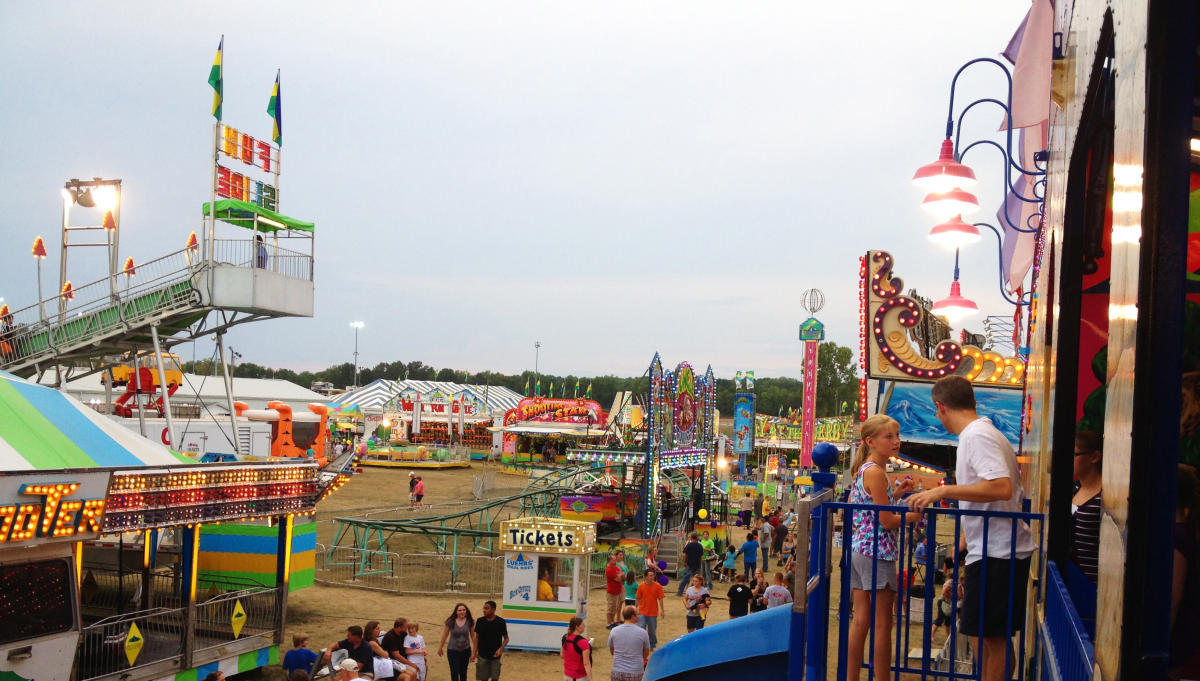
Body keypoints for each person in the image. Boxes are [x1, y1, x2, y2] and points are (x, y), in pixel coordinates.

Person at [907, 376, 1036, 681]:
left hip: (999, 552)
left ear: (940, 407)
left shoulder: (976, 435)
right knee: (985, 636)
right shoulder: (982, 432)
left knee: (992, 641)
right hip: (994, 549)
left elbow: (1001, 487)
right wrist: (966, 537)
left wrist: (943, 492)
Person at [846, 414, 920, 681]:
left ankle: (851, 676)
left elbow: (873, 511)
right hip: (878, 553)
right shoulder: (877, 473)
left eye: (897, 436)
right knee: (882, 624)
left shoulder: (867, 469)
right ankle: (882, 678)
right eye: (889, 437)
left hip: (860, 550)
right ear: (871, 441)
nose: (896, 441)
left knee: (861, 620)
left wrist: (897, 495)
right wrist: (914, 516)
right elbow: (886, 520)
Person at [1171, 464, 1200, 677]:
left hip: (1178, 633)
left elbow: (1174, 594)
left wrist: (1161, 637)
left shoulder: (1176, 536)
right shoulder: (1186, 530)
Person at [1071, 430, 1103, 582]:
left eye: (1075, 454)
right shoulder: (1074, 490)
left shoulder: (1104, 500)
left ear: (1095, 457)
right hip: (1069, 582)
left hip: (1091, 586)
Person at [608, 605, 651, 681]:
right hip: (635, 672)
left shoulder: (614, 631)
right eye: (637, 614)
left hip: (617, 671)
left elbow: (612, 651)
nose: (639, 616)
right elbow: (646, 653)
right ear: (632, 616)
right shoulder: (643, 633)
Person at [472, 600, 508, 681]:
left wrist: (500, 649)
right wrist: (474, 653)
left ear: (493, 609)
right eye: (484, 608)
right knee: (483, 679)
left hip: (496, 657)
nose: (484, 610)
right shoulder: (480, 621)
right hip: (482, 656)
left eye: (486, 608)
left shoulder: (501, 622)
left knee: (495, 679)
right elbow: (476, 638)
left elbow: (506, 638)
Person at [438, 603, 475, 681]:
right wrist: (440, 647)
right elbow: (445, 635)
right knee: (454, 672)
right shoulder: (450, 621)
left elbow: (473, 636)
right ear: (456, 612)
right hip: (453, 651)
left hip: (466, 650)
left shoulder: (470, 621)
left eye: (464, 610)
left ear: (466, 611)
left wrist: (475, 651)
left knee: (463, 672)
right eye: (460, 610)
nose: (462, 612)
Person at [635, 568, 666, 650]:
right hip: (642, 611)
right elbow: (638, 598)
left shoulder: (657, 586)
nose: (652, 577)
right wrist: (635, 608)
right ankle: (641, 644)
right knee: (641, 628)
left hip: (653, 612)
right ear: (646, 577)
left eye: (653, 575)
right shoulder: (641, 586)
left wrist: (662, 610)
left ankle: (652, 645)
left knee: (652, 631)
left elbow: (660, 599)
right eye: (650, 575)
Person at [560, 616, 592, 681]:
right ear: (577, 627)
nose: (584, 625)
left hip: (567, 676)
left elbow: (562, 655)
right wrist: (591, 679)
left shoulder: (566, 637)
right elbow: (586, 664)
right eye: (582, 624)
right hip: (579, 677)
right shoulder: (583, 643)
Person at [605, 552, 626, 629]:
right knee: (610, 608)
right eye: (613, 559)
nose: (615, 560)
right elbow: (618, 579)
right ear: (609, 561)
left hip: (617, 591)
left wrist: (620, 575)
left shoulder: (616, 567)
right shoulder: (609, 569)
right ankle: (608, 623)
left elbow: (623, 576)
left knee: (614, 608)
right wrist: (620, 575)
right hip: (612, 592)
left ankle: (612, 622)